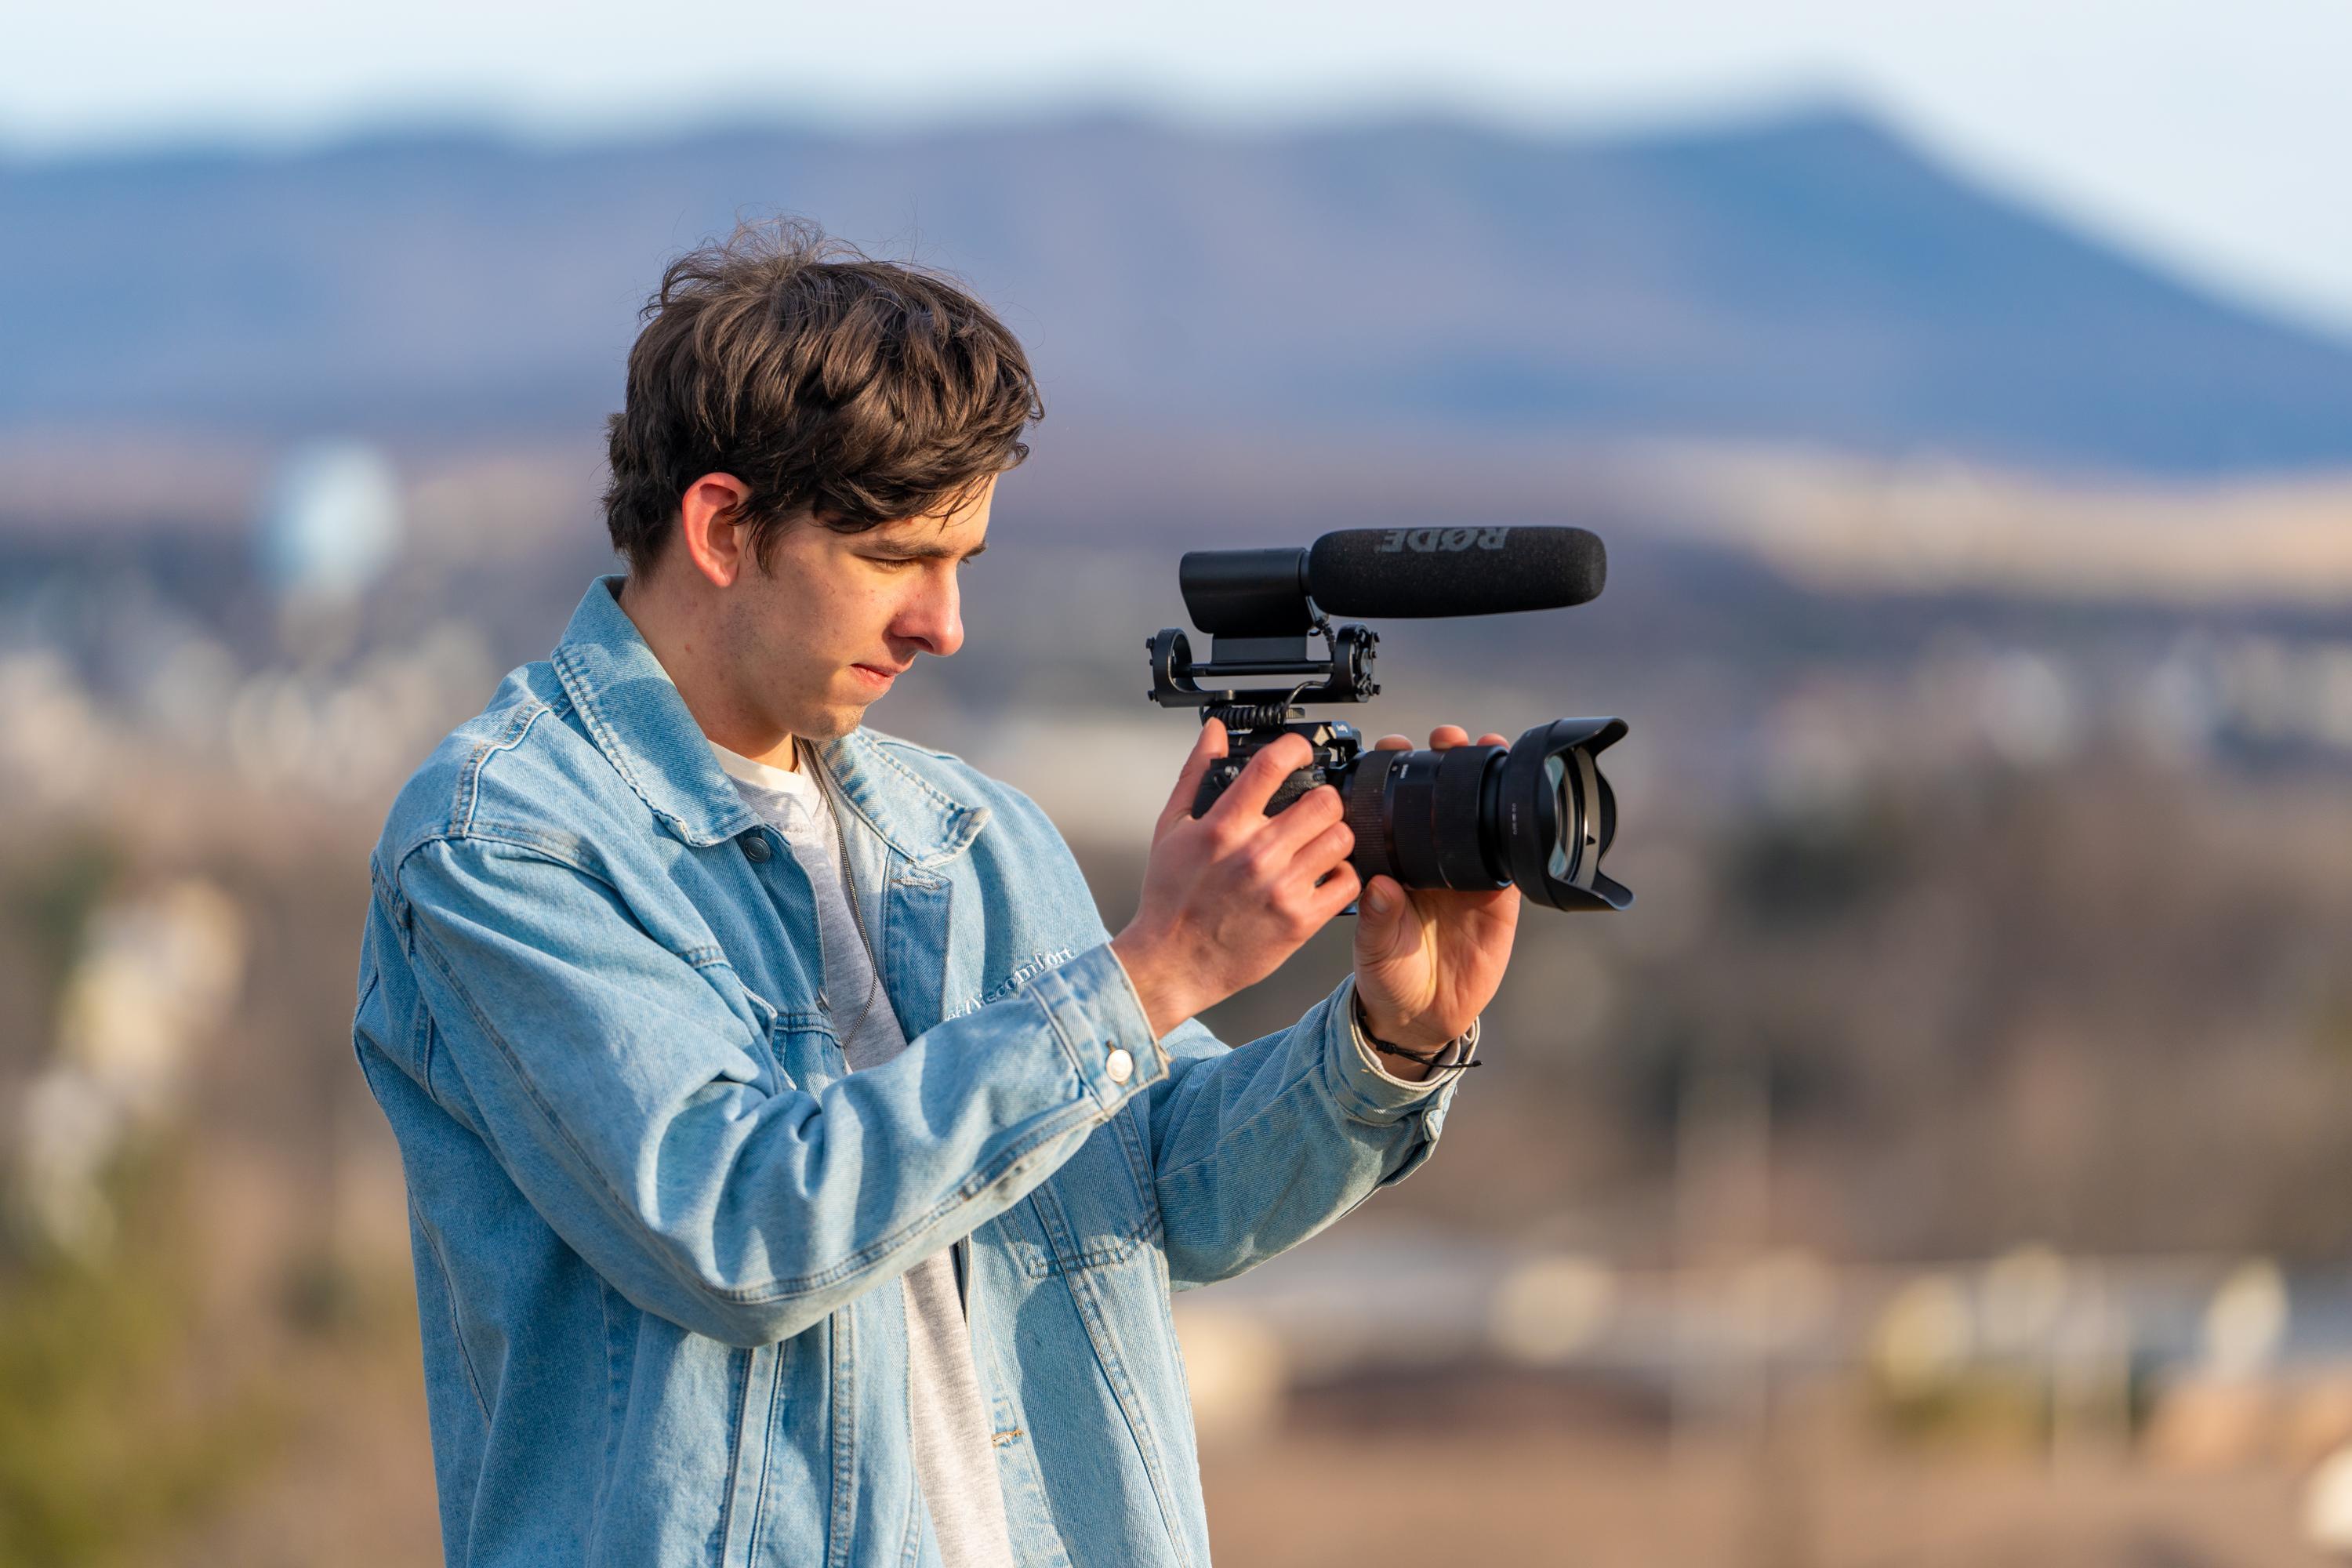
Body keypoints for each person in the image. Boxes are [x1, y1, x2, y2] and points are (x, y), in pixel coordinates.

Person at [350, 218, 1522, 1568]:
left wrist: (1388, 1042)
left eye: (964, 562)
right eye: (899, 559)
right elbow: (732, 1227)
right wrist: (1149, 975)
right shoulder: (507, 841)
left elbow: (1155, 1195)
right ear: (724, 527)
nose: (944, 624)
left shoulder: (968, 833)